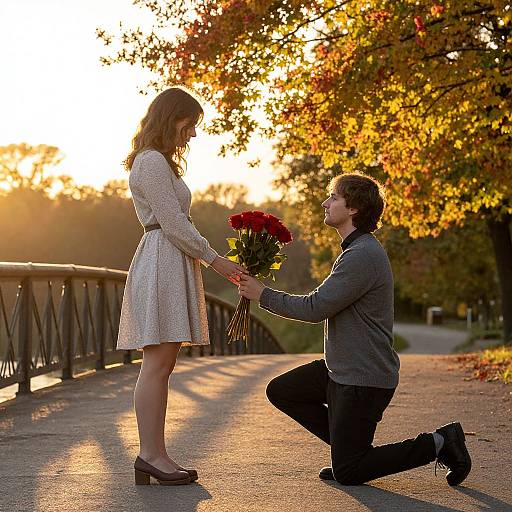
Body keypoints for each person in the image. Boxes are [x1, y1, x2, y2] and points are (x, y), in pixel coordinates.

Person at [238, 173, 471, 486]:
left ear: (354, 209)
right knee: (282, 391)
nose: (325, 202)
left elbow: (315, 307)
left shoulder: (362, 255)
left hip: (363, 379)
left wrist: (263, 294)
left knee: (349, 472)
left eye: (333, 197)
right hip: (341, 372)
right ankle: (347, 450)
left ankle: (442, 441)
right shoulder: (355, 250)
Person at [117, 87, 246, 486]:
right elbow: (173, 223)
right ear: (171, 117)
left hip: (169, 260)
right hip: (161, 259)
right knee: (156, 364)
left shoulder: (158, 162)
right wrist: (217, 261)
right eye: (190, 124)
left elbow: (177, 224)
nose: (192, 134)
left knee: (162, 364)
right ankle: (150, 455)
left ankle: (156, 453)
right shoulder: (152, 161)